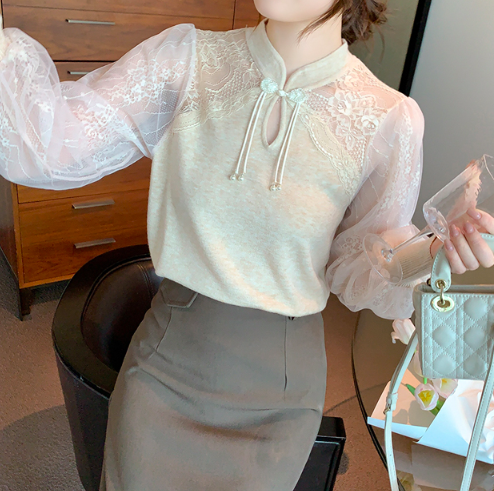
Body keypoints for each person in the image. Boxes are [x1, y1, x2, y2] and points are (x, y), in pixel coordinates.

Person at [0, 1, 493, 489]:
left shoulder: (390, 118)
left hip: (280, 392)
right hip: (168, 363)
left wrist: (433, 254)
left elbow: (357, 269)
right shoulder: (184, 59)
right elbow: (44, 143)